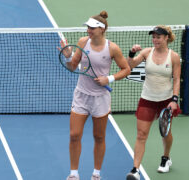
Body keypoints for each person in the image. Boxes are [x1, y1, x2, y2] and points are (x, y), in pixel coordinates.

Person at [59, 11, 131, 180]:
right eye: (88, 27)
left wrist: (109, 78)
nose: (88, 31)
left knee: (99, 137)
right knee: (74, 135)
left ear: (101, 29)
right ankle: (74, 174)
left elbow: (126, 69)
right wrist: (68, 57)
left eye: (91, 28)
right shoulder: (83, 42)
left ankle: (96, 174)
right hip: (81, 95)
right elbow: (72, 67)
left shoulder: (112, 48)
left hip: (100, 98)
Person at [125, 25, 182, 180]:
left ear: (166, 38)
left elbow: (176, 79)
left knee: (165, 133)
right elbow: (130, 66)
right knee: (141, 135)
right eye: (154, 37)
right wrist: (131, 53)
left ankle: (166, 157)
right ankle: (135, 169)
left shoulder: (174, 57)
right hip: (147, 99)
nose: (155, 39)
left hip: (166, 101)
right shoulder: (146, 53)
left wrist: (174, 100)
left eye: (158, 37)